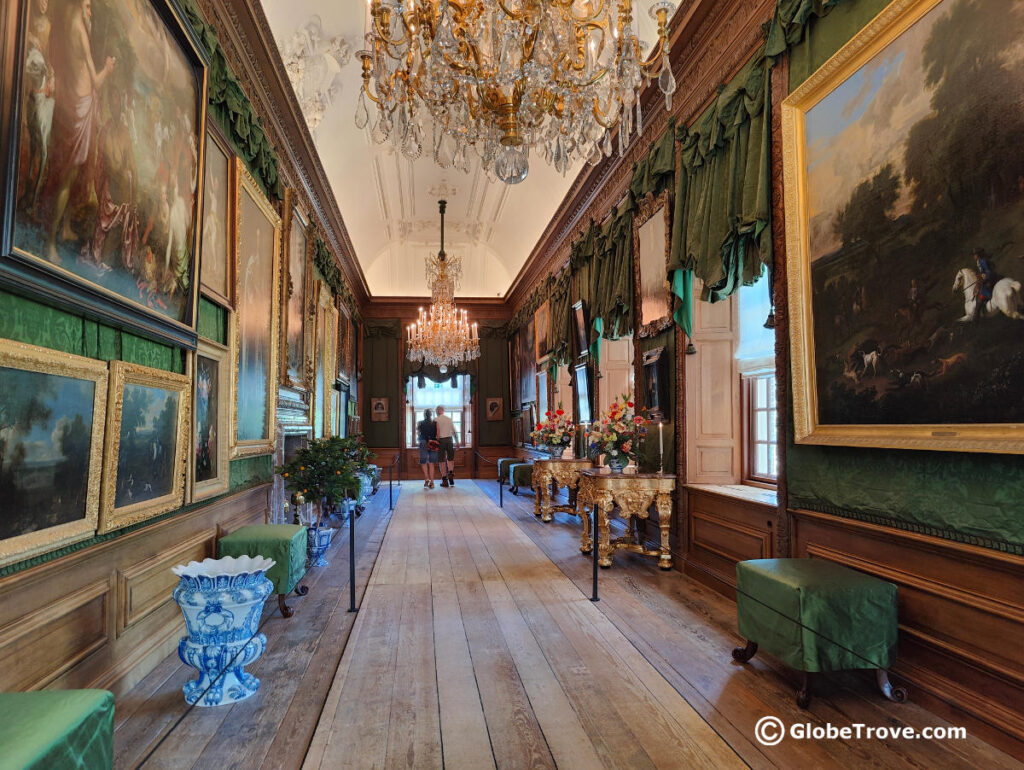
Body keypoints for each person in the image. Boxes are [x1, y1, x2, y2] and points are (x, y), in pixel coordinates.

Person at [45, 0, 116, 264]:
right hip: (78, 108)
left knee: (72, 173)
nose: (90, 12)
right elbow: (96, 82)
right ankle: (50, 243)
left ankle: (63, 229)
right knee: (67, 176)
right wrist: (107, 69)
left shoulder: (67, 22)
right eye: (87, 6)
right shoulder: (78, 30)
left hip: (78, 106)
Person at [973, 248, 1000, 321]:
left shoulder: (982, 261)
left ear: (978, 255)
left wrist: (986, 279)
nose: (974, 257)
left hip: (990, 279)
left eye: (974, 255)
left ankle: (977, 316)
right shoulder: (980, 261)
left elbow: (988, 271)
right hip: (991, 277)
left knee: (982, 291)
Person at [435, 405, 458, 487]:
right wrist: (457, 442)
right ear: (443, 411)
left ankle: (445, 480)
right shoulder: (449, 419)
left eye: (436, 410)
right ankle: (451, 473)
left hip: (440, 441)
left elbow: (435, 433)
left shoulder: (436, 420)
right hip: (449, 440)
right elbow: (454, 431)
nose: (436, 412)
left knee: (442, 461)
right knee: (450, 459)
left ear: (438, 411)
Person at [417, 408, 437, 489]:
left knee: (423, 461)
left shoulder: (420, 423)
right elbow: (437, 434)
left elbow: (418, 433)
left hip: (423, 442)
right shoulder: (435, 423)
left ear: (424, 415)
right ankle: (432, 483)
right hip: (433, 443)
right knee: (431, 463)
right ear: (431, 415)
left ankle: (426, 478)